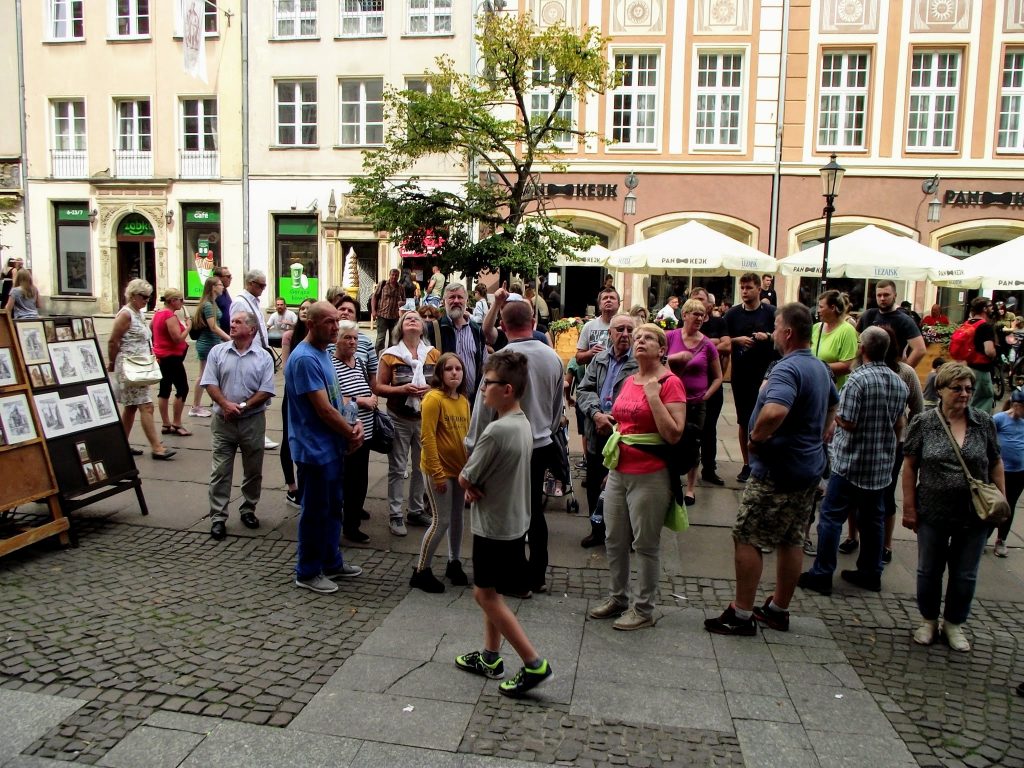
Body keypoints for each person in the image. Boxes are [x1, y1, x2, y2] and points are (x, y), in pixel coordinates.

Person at [705, 304, 838, 636]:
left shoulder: (786, 368)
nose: (774, 332)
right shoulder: (819, 367)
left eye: (777, 327)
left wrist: (756, 438)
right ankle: (778, 609)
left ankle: (742, 614)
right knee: (791, 537)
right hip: (808, 467)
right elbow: (834, 404)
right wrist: (823, 430)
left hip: (778, 470)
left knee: (747, 536)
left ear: (788, 333)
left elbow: (775, 411)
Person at [455, 351, 553, 698]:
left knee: (484, 595)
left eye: (488, 383)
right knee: (492, 591)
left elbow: (465, 478)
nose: (482, 389)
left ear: (507, 389)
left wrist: (469, 485)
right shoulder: (523, 423)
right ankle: (490, 657)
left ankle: (534, 663)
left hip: (493, 526)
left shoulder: (495, 431)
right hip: (512, 520)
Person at [588, 323, 687, 630]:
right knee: (614, 539)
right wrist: (611, 467)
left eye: (648, 338)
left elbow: (674, 434)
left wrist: (654, 397)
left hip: (651, 474)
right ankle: (618, 598)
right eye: (638, 337)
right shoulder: (630, 380)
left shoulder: (670, 383)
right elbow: (623, 426)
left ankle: (643, 609)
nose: (639, 340)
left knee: (645, 543)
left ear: (662, 349)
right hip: (619, 471)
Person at [902, 362, 1005, 652]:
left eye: (969, 389)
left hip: (975, 514)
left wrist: (1002, 500)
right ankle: (928, 620)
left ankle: (954, 623)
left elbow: (996, 462)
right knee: (928, 570)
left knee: (965, 573)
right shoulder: (924, 422)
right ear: (941, 389)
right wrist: (909, 507)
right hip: (932, 510)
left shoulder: (983, 422)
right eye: (957, 388)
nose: (964, 394)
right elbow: (910, 467)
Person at [798, 326, 907, 595]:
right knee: (873, 520)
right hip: (879, 465)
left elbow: (848, 421)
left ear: (863, 348)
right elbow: (898, 423)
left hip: (851, 462)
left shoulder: (858, 380)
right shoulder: (898, 382)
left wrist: (833, 416)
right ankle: (870, 572)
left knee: (831, 517)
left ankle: (822, 573)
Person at [468, 300, 564, 595]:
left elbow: (482, 411)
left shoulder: (501, 361)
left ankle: (511, 577)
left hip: (505, 444)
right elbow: (558, 408)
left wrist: (473, 451)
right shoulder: (553, 357)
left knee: (507, 512)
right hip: (540, 442)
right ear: (533, 322)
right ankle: (537, 574)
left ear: (503, 326)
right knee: (533, 510)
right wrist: (547, 429)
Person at [286, 301, 364, 594]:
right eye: (329, 322)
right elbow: (323, 410)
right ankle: (307, 571)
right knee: (316, 511)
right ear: (311, 325)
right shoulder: (305, 358)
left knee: (333, 508)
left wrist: (354, 422)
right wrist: (350, 433)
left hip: (330, 447)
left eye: (336, 321)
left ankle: (331, 561)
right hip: (313, 450)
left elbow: (336, 399)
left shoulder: (323, 353)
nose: (335, 327)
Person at [201, 311, 276, 541]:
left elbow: (266, 390)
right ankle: (218, 517)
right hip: (223, 421)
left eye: (238, 322)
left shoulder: (263, 357)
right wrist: (225, 404)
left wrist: (242, 406)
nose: (232, 325)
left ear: (251, 329)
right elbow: (209, 382)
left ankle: (248, 509)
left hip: (252, 421)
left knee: (253, 469)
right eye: (232, 321)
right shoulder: (218, 352)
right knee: (220, 471)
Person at [410, 352, 471, 592]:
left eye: (458, 368)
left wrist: (468, 471)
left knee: (457, 518)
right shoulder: (433, 399)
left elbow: (466, 437)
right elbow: (427, 438)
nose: (454, 373)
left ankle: (454, 562)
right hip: (439, 470)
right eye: (449, 369)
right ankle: (421, 570)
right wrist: (437, 473)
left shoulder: (463, 401)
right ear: (440, 373)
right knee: (441, 520)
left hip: (459, 470)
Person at [576, 313, 638, 548]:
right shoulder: (599, 358)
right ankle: (597, 530)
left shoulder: (640, 363)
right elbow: (584, 389)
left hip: (625, 436)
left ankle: (625, 534)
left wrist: (615, 418)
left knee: (623, 486)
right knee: (594, 484)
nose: (625, 334)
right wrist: (596, 414)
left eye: (630, 330)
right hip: (598, 430)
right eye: (620, 329)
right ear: (610, 333)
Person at [378, 311, 441, 536]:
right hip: (399, 418)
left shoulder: (433, 354)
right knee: (397, 467)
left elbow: (441, 385)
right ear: (400, 327)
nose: (412, 319)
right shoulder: (390, 355)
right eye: (407, 318)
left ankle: (415, 510)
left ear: (423, 328)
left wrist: (431, 389)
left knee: (421, 467)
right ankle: (395, 514)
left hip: (425, 418)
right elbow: (379, 387)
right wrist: (402, 390)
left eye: (416, 318)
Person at [107, 279, 176, 460]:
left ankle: (121, 445)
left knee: (131, 407)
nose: (146, 300)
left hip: (140, 366)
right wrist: (111, 363)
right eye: (143, 296)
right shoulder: (126, 314)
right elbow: (113, 341)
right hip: (129, 367)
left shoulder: (138, 313)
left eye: (148, 297)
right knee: (146, 406)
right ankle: (157, 447)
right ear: (132, 295)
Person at [666, 298, 723, 506]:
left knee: (693, 444)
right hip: (672, 402)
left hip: (696, 403)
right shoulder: (670, 337)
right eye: (695, 314)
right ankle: (670, 482)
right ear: (684, 315)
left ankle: (690, 488)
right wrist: (676, 358)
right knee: (670, 441)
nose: (700, 318)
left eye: (702, 315)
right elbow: (659, 361)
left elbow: (718, 376)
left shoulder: (707, 344)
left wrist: (706, 395)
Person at [725, 273, 778, 482]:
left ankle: (764, 462)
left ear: (759, 289)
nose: (745, 291)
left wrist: (769, 337)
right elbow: (721, 341)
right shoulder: (732, 314)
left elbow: (783, 337)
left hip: (767, 375)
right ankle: (747, 463)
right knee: (744, 420)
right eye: (742, 288)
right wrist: (736, 340)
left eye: (749, 288)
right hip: (741, 375)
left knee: (767, 419)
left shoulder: (771, 313)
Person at [230, 270, 278, 450]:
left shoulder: (253, 301)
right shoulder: (240, 302)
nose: (263, 289)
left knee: (260, 395)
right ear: (250, 283)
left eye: (264, 285)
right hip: (248, 354)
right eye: (261, 285)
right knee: (252, 394)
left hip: (258, 352)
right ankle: (252, 434)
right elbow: (236, 329)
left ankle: (255, 432)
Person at [692, 288, 730, 486]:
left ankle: (709, 469)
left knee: (709, 428)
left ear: (709, 303)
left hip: (712, 384)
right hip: (689, 385)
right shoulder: (683, 322)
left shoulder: (718, 322)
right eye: (695, 299)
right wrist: (713, 344)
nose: (698, 302)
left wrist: (701, 345)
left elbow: (727, 346)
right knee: (688, 429)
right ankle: (684, 466)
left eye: (702, 299)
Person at [425, 283, 488, 395]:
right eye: (452, 297)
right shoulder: (433, 329)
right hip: (443, 398)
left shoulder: (477, 331)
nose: (456, 301)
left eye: (460, 297)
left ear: (466, 301)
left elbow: (484, 365)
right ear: (444, 301)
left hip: (471, 400)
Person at [281, 298, 314, 508]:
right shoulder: (290, 336)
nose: (304, 311)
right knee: (288, 437)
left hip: (312, 393)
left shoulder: (319, 337)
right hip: (293, 392)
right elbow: (286, 368)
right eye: (302, 308)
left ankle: (306, 484)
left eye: (308, 309)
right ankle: (292, 487)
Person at [856, 279, 926, 368]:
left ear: (895, 296)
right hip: (866, 370)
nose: (882, 298)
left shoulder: (904, 320)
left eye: (886, 295)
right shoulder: (868, 315)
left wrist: (903, 371)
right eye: (879, 295)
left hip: (891, 370)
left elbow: (920, 349)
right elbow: (855, 341)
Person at [151, 289, 192, 436]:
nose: (182, 302)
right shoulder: (169, 315)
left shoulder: (158, 314)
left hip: (162, 357)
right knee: (182, 388)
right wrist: (188, 327)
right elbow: (177, 338)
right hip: (171, 357)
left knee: (165, 389)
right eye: (180, 299)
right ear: (172, 301)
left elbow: (151, 330)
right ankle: (176, 423)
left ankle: (166, 424)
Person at [189, 276, 231, 418]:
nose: (222, 287)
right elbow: (213, 327)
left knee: (214, 373)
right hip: (207, 343)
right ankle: (195, 407)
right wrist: (229, 338)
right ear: (213, 287)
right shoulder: (207, 305)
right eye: (220, 285)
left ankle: (217, 401)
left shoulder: (212, 303)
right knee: (203, 375)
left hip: (213, 343)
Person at [991, 390, 1024, 557]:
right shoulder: (999, 419)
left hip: (1019, 473)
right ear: (1016, 405)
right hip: (1001, 472)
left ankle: (1001, 539)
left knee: (1009, 506)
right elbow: (988, 440)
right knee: (993, 504)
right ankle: (983, 536)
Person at [811, 290, 858, 389]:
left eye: (821, 307)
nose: (818, 310)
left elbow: (848, 365)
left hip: (834, 390)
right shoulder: (815, 328)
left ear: (832, 308)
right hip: (815, 388)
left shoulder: (847, 331)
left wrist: (817, 367)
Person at [960, 297, 998, 414]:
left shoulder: (967, 323)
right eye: (990, 306)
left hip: (967, 367)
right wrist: (994, 354)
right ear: (984, 309)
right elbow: (989, 351)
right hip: (981, 370)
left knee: (969, 399)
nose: (992, 308)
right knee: (984, 399)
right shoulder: (985, 326)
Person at [575, 287, 621, 368]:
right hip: (594, 374)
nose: (608, 300)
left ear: (618, 305)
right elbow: (578, 359)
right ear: (599, 305)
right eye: (605, 298)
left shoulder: (625, 327)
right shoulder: (589, 326)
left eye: (612, 298)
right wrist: (590, 353)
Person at [371, 268, 403, 352]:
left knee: (393, 339)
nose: (394, 277)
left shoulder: (400, 287)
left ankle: (390, 355)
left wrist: (401, 303)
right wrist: (373, 311)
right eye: (393, 275)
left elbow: (404, 300)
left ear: (398, 277)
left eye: (396, 275)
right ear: (389, 275)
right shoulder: (383, 284)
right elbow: (374, 297)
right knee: (380, 338)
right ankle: (376, 356)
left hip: (394, 317)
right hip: (382, 315)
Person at [213, 266, 233, 335]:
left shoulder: (225, 292)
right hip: (219, 336)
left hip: (227, 334)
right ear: (218, 278)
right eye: (228, 276)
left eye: (231, 276)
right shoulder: (214, 295)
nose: (231, 278)